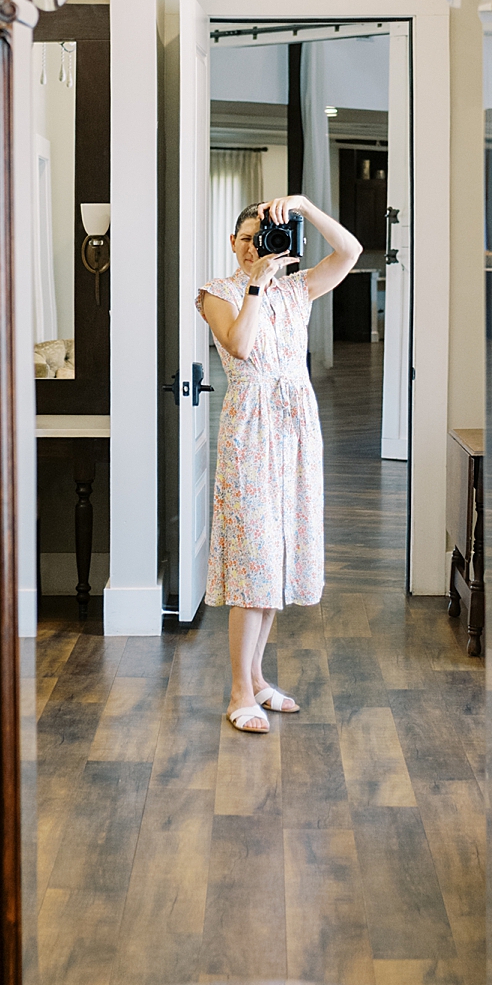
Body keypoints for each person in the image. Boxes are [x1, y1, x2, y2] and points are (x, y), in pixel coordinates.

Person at [195, 193, 362, 734]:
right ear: (233, 244)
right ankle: (239, 691)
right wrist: (255, 284)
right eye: (246, 240)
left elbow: (351, 250)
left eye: (263, 239)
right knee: (254, 559)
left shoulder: (299, 289)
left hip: (294, 429)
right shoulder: (217, 292)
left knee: (277, 558)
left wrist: (307, 208)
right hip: (249, 427)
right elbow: (240, 347)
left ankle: (259, 680)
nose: (255, 248)